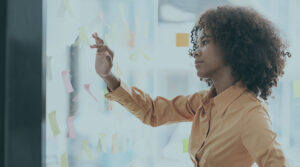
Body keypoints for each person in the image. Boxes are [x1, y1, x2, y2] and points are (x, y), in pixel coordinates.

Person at [90, 5, 291, 167]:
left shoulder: (250, 114)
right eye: (197, 44)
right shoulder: (203, 102)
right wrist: (108, 75)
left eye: (205, 42)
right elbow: (152, 112)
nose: (196, 52)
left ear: (232, 48)